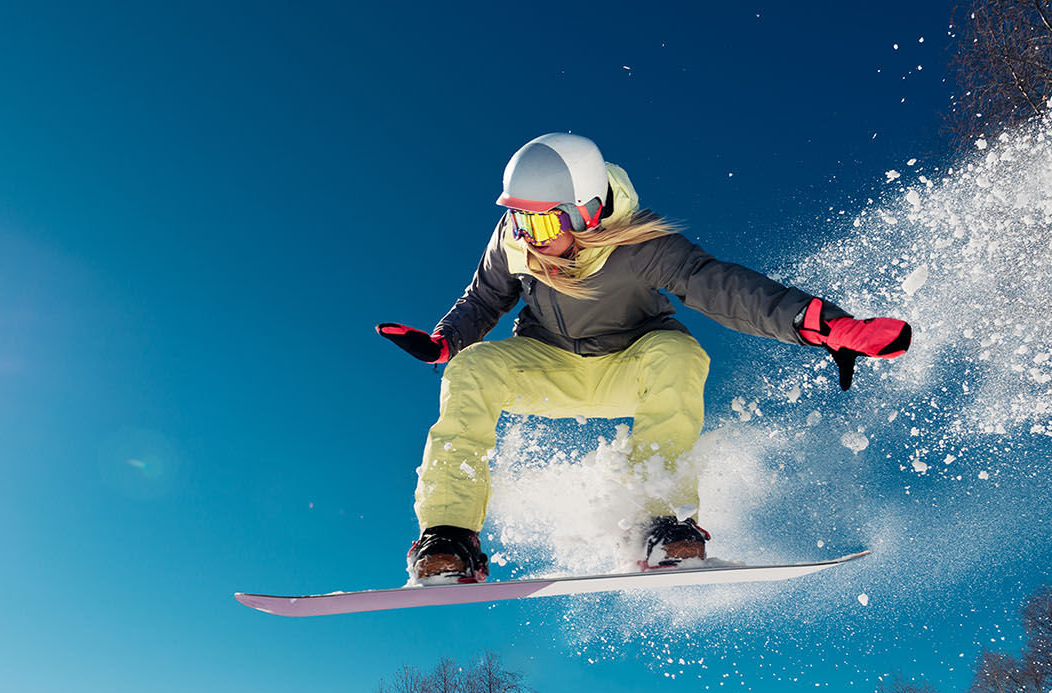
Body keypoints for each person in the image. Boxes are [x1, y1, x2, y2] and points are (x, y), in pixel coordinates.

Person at [378, 133, 911, 584]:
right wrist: (446, 341)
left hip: (630, 365)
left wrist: (820, 323)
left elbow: (720, 286)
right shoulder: (514, 242)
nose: (526, 237)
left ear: (586, 212)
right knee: (471, 369)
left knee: (679, 353)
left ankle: (657, 524)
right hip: (550, 365)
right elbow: (484, 299)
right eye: (518, 220)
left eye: (540, 225)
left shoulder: (642, 243)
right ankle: (449, 536)